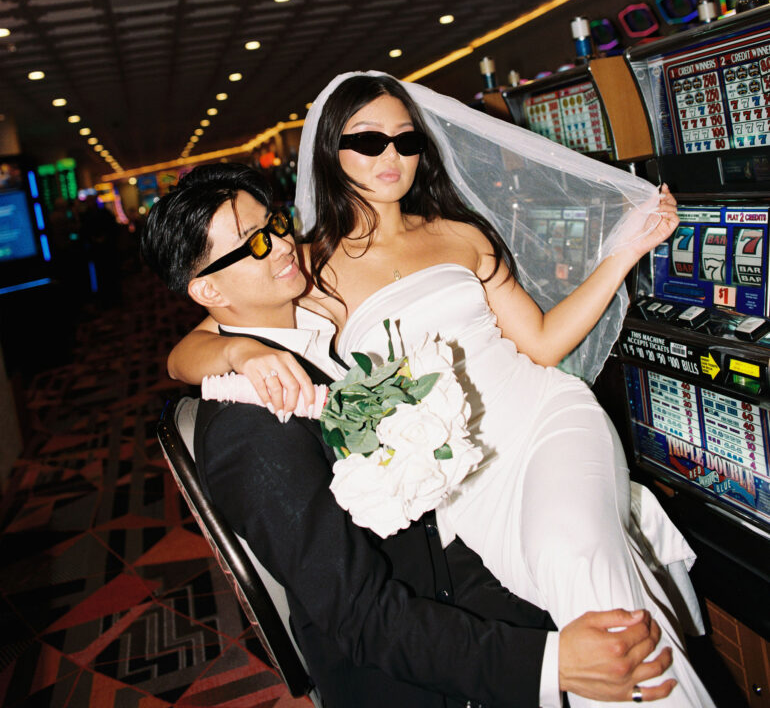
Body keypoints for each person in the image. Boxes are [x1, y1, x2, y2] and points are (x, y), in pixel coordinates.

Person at [167, 74, 717, 707]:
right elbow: (186, 352)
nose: (391, 158)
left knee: (577, 563)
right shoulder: (305, 265)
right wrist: (238, 349)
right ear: (330, 153)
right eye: (368, 141)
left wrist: (624, 255)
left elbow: (539, 344)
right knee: (570, 608)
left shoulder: (463, 232)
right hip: (466, 478)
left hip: (545, 418)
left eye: (405, 141)